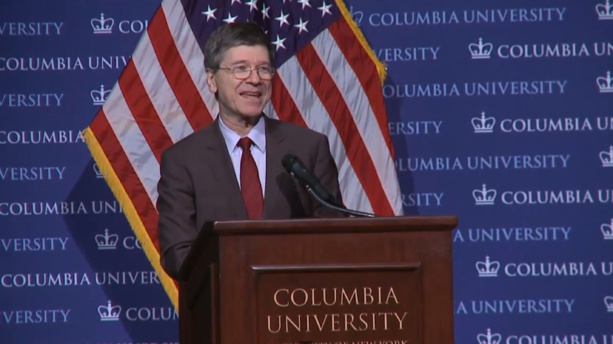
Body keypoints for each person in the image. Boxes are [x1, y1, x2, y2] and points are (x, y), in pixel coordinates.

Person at [156, 22, 344, 280]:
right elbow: (178, 254)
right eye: (241, 69)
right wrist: (246, 269)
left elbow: (334, 236)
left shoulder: (308, 148)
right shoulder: (183, 160)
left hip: (297, 304)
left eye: (264, 69)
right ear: (212, 80)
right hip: (223, 308)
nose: (255, 80)